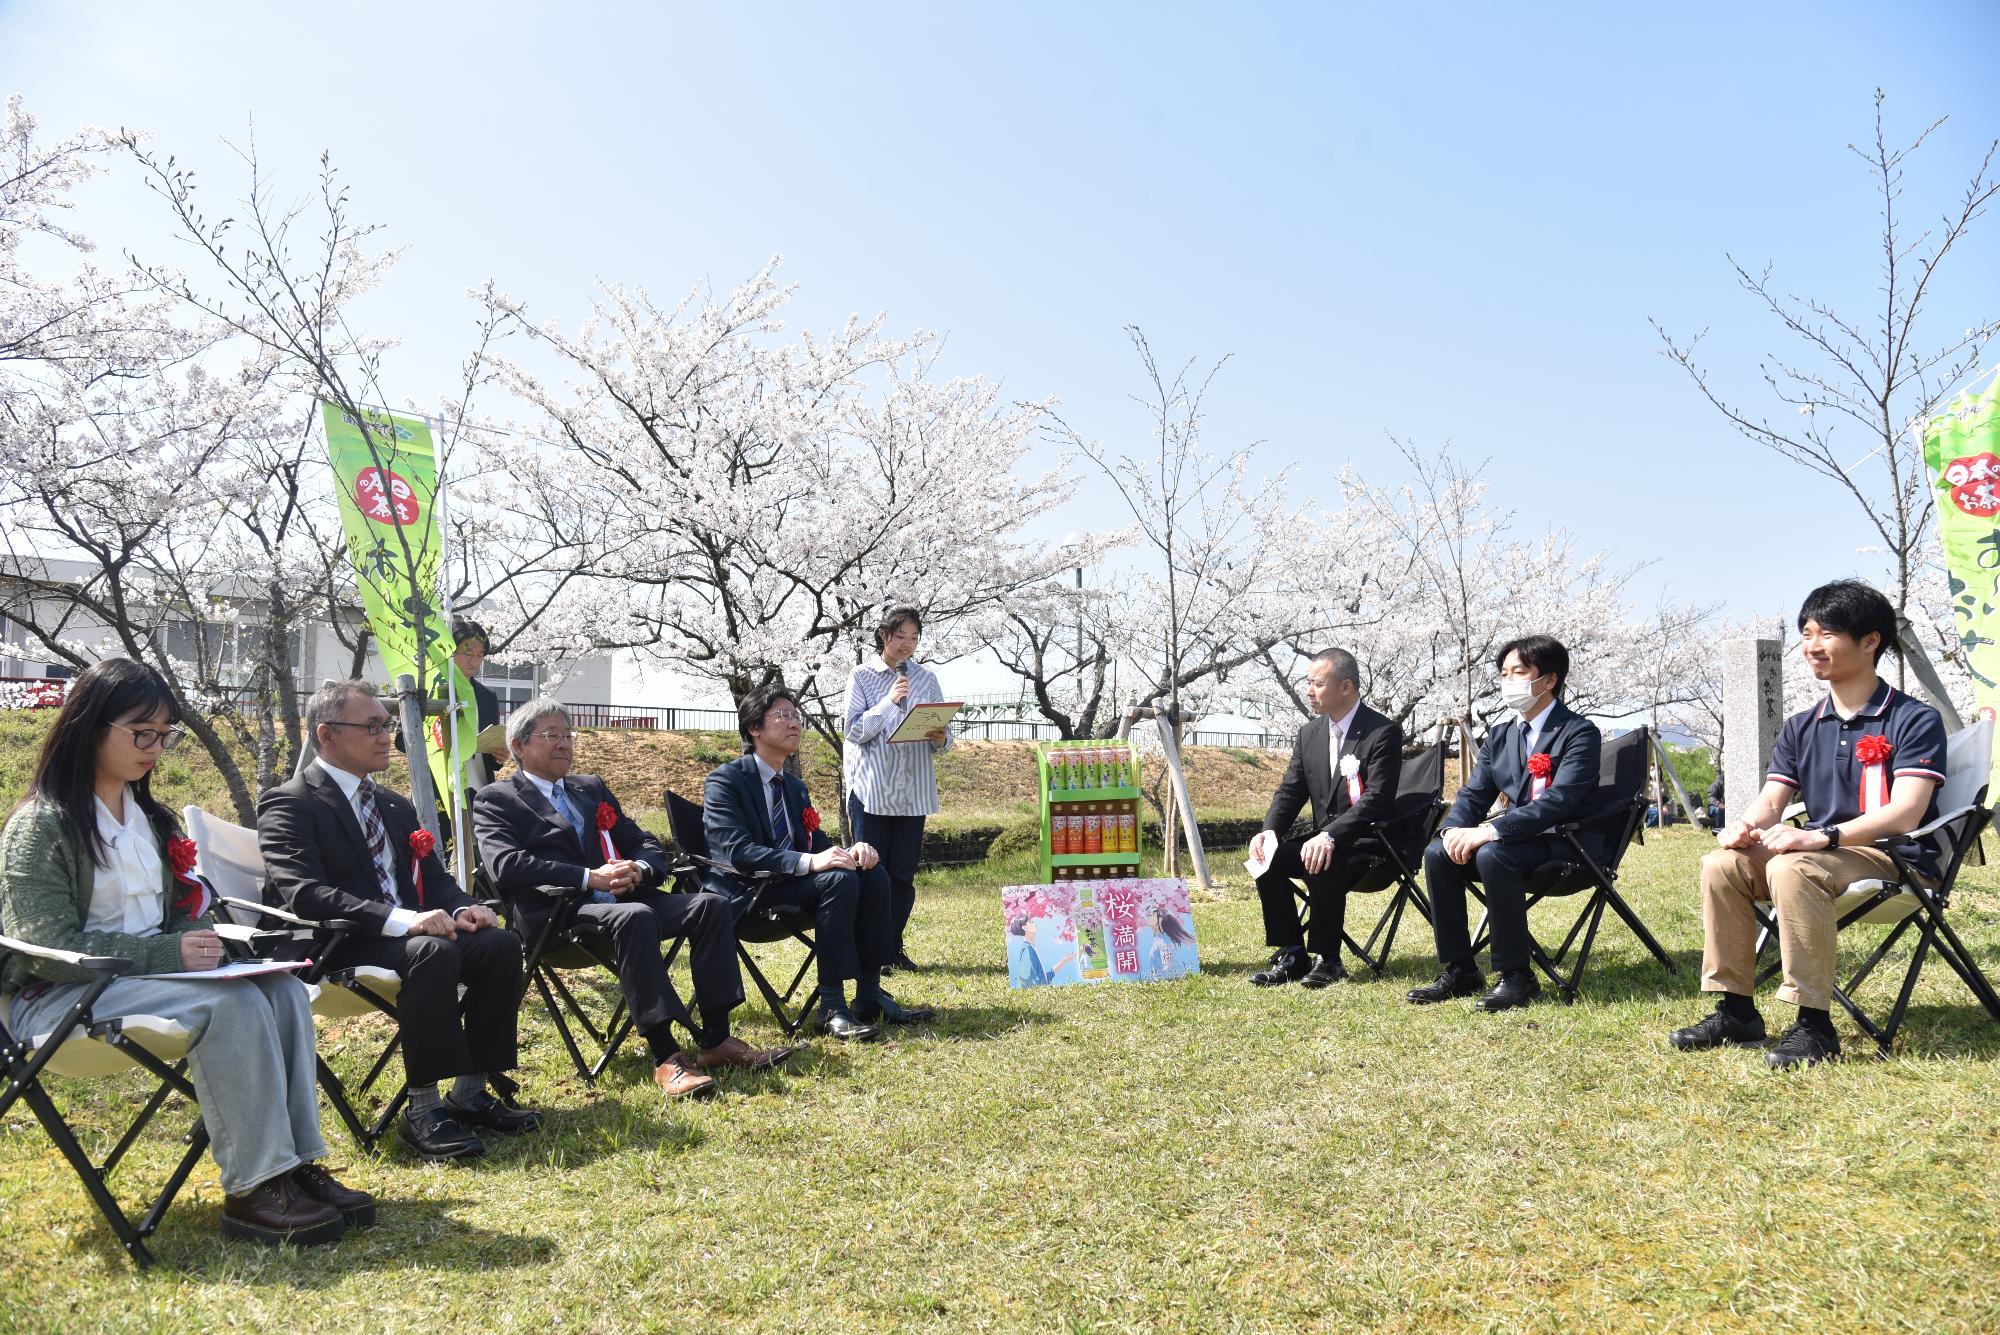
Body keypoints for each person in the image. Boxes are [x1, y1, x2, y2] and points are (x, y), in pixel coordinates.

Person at [0, 658, 371, 1245]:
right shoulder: (42, 826)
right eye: (141, 732)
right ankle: (254, 1187)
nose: (156, 747)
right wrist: (171, 954)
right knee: (234, 1007)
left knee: (280, 989)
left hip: (145, 983)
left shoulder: (149, 816)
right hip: (63, 997)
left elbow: (180, 908)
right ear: (90, 726)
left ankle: (296, 1165)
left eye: (164, 733)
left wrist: (196, 938)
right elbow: (45, 946)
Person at [1668, 580, 1947, 1069]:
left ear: (1870, 641)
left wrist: (1823, 835)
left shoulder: (1912, 719)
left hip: (1893, 858)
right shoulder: (1801, 725)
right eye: (1806, 633)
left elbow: (1906, 813)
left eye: (1827, 634)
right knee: (1721, 865)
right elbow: (1772, 801)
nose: (1812, 647)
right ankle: (1737, 1012)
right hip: (1823, 854)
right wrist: (1744, 827)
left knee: (1792, 869)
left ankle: (1814, 1025)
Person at [258, 680, 541, 1163]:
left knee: (497, 943)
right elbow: (304, 894)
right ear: (326, 735)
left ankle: (469, 1093)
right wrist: (402, 919)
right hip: (337, 943)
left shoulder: (393, 804)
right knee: (433, 951)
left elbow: (433, 881)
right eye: (372, 727)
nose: (386, 736)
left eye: (387, 725)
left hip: (405, 936)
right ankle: (423, 1109)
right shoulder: (290, 802)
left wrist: (462, 908)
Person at [472, 698, 788, 1100]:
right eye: (552, 736)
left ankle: (717, 1039)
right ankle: (666, 1055)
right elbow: (507, 865)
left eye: (568, 736)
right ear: (518, 746)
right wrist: (589, 877)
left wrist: (640, 868)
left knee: (711, 904)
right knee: (636, 916)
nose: (565, 744)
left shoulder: (590, 789)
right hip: (560, 914)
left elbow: (642, 841)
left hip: (623, 898)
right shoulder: (497, 799)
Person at [702, 684, 936, 1040]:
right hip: (749, 893)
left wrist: (853, 850)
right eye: (783, 715)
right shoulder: (726, 781)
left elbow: (816, 842)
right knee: (838, 880)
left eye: (797, 716)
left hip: (790, 886)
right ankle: (831, 1005)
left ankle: (869, 994)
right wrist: (810, 862)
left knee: (872, 874)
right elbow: (736, 851)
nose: (794, 723)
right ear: (754, 728)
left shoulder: (794, 787)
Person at [1407, 634, 1602, 1013]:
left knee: (1494, 856)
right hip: (1513, 841)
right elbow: (1474, 794)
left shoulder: (1579, 733)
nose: (1508, 681)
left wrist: (1491, 830)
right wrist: (1452, 831)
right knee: (1436, 853)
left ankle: (1516, 976)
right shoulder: (1500, 735)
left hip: (1564, 844)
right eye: (1503, 673)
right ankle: (1460, 967)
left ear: (1549, 680)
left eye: (1519, 672)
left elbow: (1560, 801)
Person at [1246, 648, 1404, 989]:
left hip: (1369, 840)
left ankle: (1328, 958)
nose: (1309, 691)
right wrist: (1268, 832)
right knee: (1267, 858)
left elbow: (1376, 799)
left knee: (1322, 856)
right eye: (1308, 683)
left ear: (1345, 687)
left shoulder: (1383, 732)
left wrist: (1331, 835)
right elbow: (1290, 791)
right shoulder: (1309, 733)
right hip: (1322, 838)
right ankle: (1293, 953)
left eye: (1317, 683)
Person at [842, 603, 950, 974]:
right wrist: (889, 703)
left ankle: (891, 948)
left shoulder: (927, 678)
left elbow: (944, 740)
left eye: (914, 638)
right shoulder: (862, 676)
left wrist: (940, 736)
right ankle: (867, 951)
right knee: (873, 874)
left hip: (913, 790)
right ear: (883, 636)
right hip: (872, 790)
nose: (907, 645)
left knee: (903, 876)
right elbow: (855, 731)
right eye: (900, 636)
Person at [448, 618, 511, 786]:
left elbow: (490, 759)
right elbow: (404, 741)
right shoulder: (433, 690)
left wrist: (498, 755)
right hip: (440, 784)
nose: (474, 662)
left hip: (478, 784)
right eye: (467, 654)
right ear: (449, 650)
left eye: (480, 655)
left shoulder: (487, 696)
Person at [1006, 913, 1078, 988]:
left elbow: (1044, 979)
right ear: (1024, 927)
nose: (1034, 923)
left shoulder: (1032, 948)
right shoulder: (1027, 949)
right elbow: (1028, 980)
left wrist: (1064, 960)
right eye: (1030, 922)